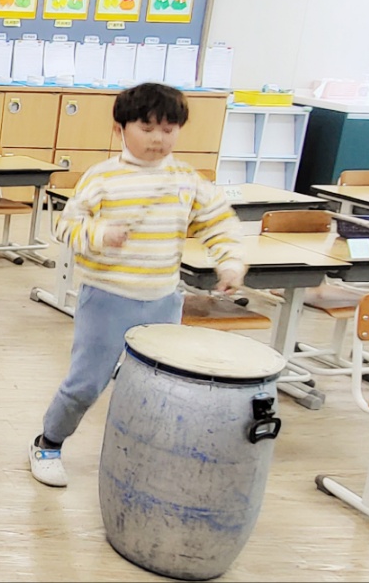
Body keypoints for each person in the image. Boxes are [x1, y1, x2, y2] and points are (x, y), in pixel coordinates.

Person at [29, 82, 246, 488]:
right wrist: (100, 233)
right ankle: (48, 442)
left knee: (159, 388)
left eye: (168, 128)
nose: (158, 138)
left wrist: (230, 262)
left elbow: (220, 222)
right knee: (86, 384)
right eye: (147, 128)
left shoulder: (186, 179)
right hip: (107, 300)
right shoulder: (102, 178)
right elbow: (65, 226)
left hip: (163, 301)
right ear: (120, 129)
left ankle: (143, 454)